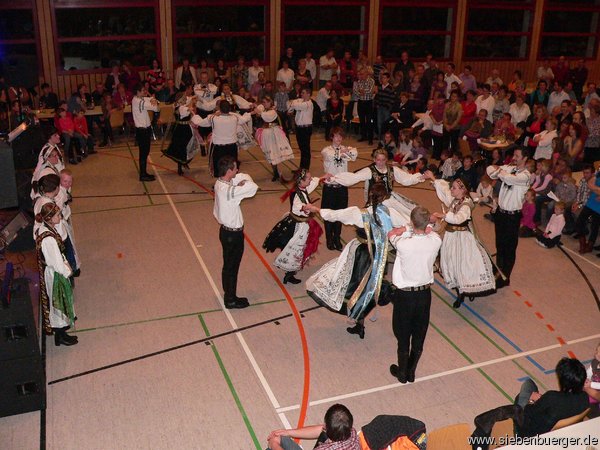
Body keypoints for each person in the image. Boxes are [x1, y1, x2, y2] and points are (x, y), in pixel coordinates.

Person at [305, 183, 414, 339]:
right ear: (384, 197)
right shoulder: (390, 212)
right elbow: (409, 225)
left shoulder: (360, 213)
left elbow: (335, 214)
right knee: (369, 287)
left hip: (362, 254)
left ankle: (380, 307)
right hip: (379, 255)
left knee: (355, 286)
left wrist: (315, 209)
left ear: (369, 195)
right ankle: (370, 318)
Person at [388, 206, 442, 383]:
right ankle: (411, 371)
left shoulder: (403, 244)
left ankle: (402, 372)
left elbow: (391, 234)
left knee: (403, 335)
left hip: (405, 297)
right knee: (419, 334)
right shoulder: (435, 240)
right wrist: (423, 226)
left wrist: (406, 229)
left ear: (412, 221)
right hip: (424, 295)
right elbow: (431, 231)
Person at [426, 173, 496, 307]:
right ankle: (460, 290)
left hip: (462, 238)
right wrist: (434, 179)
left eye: (454, 188)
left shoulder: (466, 204)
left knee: (463, 265)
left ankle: (463, 292)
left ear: (463, 190)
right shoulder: (456, 199)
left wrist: (442, 215)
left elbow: (458, 219)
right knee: (452, 262)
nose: (451, 190)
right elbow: (445, 193)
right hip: (451, 236)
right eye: (452, 187)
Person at [213, 156, 258, 309]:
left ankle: (229, 293)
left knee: (228, 265)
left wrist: (238, 181)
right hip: (233, 235)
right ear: (230, 171)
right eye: (235, 168)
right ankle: (230, 299)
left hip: (225, 232)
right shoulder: (229, 191)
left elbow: (241, 178)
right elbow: (253, 188)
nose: (238, 170)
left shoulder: (220, 183)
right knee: (232, 266)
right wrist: (243, 182)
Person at [263, 169, 322, 285]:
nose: (311, 179)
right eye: (308, 178)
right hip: (299, 226)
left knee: (296, 248)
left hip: (297, 222)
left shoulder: (302, 189)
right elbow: (298, 206)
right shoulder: (297, 195)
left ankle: (290, 271)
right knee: (296, 248)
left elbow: (312, 184)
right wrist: (307, 207)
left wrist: (323, 177)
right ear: (301, 181)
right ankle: (289, 274)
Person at [486, 148, 531, 288]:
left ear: (525, 158)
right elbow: (490, 171)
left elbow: (510, 179)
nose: (514, 158)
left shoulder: (526, 175)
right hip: (501, 213)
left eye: (517, 156)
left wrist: (500, 171)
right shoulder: (509, 168)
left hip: (513, 216)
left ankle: (506, 277)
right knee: (499, 244)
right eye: (514, 155)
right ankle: (499, 272)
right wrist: (501, 171)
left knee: (509, 248)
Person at [34, 202, 78, 346]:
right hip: (56, 275)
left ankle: (61, 334)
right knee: (59, 303)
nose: (60, 216)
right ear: (50, 218)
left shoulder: (45, 229)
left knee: (59, 303)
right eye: (58, 215)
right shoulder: (49, 239)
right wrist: (68, 270)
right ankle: (60, 335)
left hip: (54, 271)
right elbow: (56, 263)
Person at [514, 358, 589, 437]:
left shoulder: (551, 397)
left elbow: (528, 412)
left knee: (527, 384)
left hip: (532, 433)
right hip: (555, 431)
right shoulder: (585, 398)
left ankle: (517, 434)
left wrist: (532, 401)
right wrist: (542, 400)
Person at [328, 148, 425, 203]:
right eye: (378, 160)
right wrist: (333, 178)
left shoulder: (392, 170)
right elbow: (352, 178)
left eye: (383, 160)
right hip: (373, 202)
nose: (381, 163)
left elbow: (406, 179)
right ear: (374, 160)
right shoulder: (369, 171)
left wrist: (422, 176)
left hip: (388, 199)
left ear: (386, 160)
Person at [319, 128, 358, 250]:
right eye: (336, 136)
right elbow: (332, 156)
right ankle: (329, 238)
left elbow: (354, 155)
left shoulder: (345, 149)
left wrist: (346, 151)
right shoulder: (326, 150)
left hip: (341, 188)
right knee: (328, 213)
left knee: (340, 214)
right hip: (329, 188)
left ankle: (337, 237)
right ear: (332, 137)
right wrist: (344, 151)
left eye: (340, 136)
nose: (339, 139)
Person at [194, 100, 252, 177]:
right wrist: (250, 113)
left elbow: (201, 122)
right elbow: (245, 118)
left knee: (219, 165)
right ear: (229, 109)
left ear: (219, 109)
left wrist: (194, 116)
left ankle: (221, 183)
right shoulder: (235, 117)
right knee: (231, 165)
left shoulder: (213, 118)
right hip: (232, 147)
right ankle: (230, 181)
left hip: (218, 147)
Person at [266, 403, 359, 450]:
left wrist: (274, 445)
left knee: (275, 441)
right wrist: (288, 432)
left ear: (326, 427)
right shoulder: (352, 433)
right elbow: (320, 430)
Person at [254, 96, 294, 182]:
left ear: (270, 102)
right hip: (267, 134)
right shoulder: (265, 110)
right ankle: (275, 172)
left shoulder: (272, 111)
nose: (264, 104)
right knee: (270, 153)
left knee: (275, 153)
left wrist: (259, 112)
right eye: (263, 102)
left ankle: (277, 172)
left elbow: (266, 117)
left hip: (274, 134)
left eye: (265, 102)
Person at [161, 96, 201, 176]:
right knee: (182, 148)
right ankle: (180, 166)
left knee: (189, 146)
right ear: (179, 100)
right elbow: (188, 108)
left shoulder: (179, 106)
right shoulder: (181, 108)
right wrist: (192, 102)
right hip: (182, 130)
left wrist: (193, 99)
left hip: (184, 129)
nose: (185, 100)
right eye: (183, 99)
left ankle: (185, 161)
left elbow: (189, 103)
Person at [132, 83, 160, 182]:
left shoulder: (141, 99)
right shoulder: (137, 101)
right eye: (143, 90)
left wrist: (153, 100)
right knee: (143, 152)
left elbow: (156, 104)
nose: (145, 91)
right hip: (142, 130)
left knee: (145, 152)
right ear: (137, 92)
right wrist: (153, 100)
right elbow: (155, 107)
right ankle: (142, 175)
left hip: (146, 129)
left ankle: (144, 172)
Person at [288, 87, 314, 169]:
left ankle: (305, 169)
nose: (301, 94)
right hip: (299, 128)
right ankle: (301, 168)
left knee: (305, 150)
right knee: (302, 149)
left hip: (306, 129)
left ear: (308, 94)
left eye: (303, 93)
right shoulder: (301, 102)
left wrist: (292, 103)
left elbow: (294, 105)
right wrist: (293, 104)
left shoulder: (308, 104)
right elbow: (291, 106)